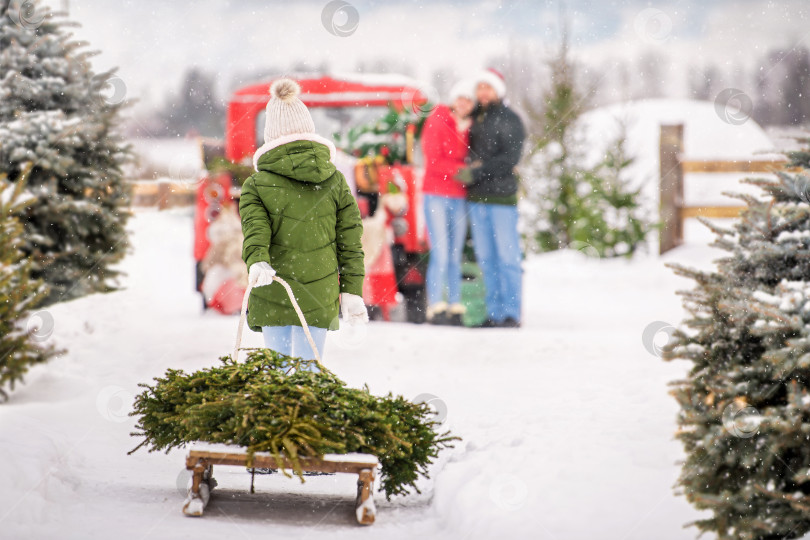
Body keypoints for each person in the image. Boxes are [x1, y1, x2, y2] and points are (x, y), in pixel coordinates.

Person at [239, 78, 368, 362]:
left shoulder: (256, 185)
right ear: (309, 130)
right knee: (311, 371)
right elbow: (350, 242)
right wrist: (351, 291)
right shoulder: (335, 180)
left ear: (270, 136)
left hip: (272, 287)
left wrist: (257, 260)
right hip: (319, 292)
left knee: (278, 376)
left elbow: (255, 231)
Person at [455, 68, 526, 328]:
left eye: (489, 87)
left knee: (507, 258)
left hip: (501, 199)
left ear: (498, 90)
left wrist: (478, 171)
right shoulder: (474, 119)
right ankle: (494, 313)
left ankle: (511, 314)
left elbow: (510, 159)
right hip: (477, 200)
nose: (484, 92)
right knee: (486, 258)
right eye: (480, 88)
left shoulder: (510, 119)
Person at [420, 79, 475, 326]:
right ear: (454, 99)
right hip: (436, 194)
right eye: (461, 98)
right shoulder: (438, 119)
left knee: (455, 255)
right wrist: (461, 169)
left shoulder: (470, 127)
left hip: (459, 196)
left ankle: (455, 303)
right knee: (440, 253)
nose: (464, 103)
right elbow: (432, 160)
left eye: (469, 100)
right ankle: (435, 305)